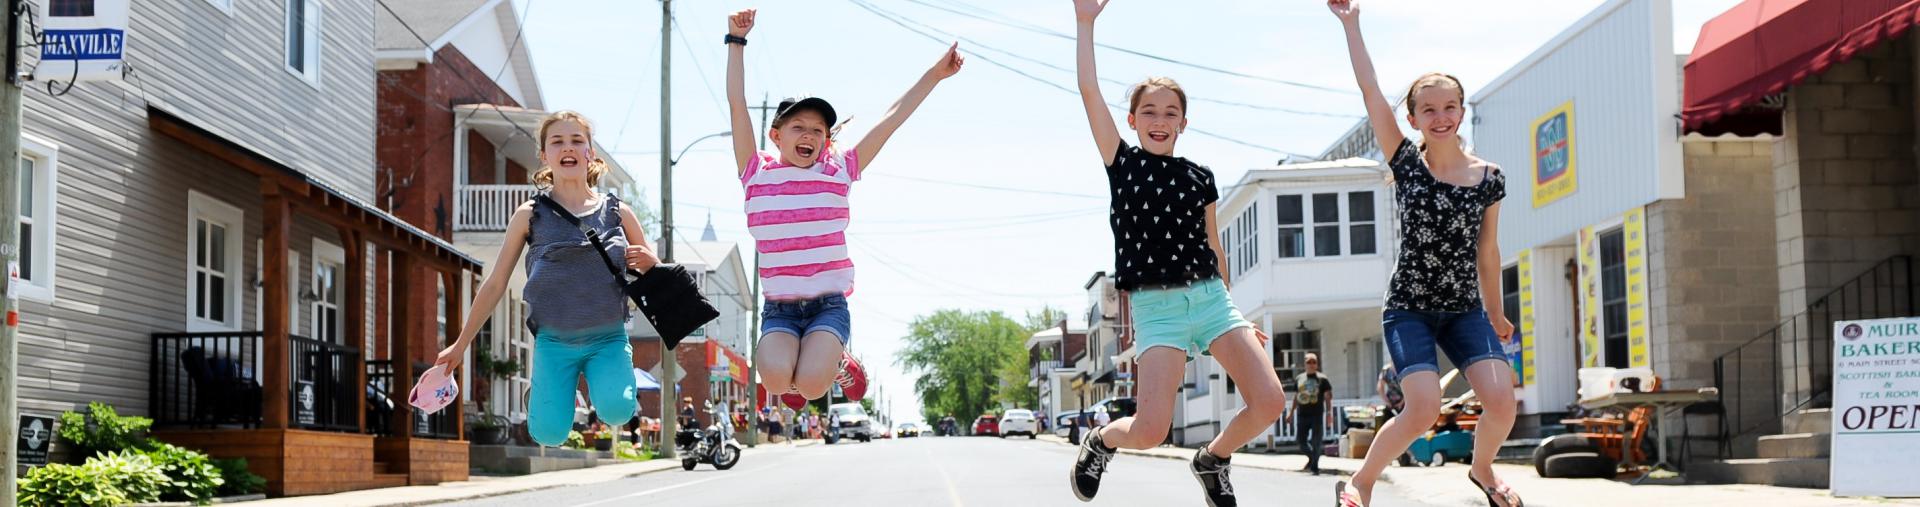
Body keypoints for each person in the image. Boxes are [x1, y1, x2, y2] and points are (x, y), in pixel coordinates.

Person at [1065, 3, 1284, 506]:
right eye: (1149, 112)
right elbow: (1088, 91)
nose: (1159, 121)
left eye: (1170, 113)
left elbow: (1212, 245)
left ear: (1184, 122)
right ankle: (1101, 441)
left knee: (1270, 400)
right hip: (1156, 309)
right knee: (1148, 430)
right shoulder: (1121, 163)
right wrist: (1085, 24)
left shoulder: (1199, 177)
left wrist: (1237, 315)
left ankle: (1213, 458)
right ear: (1132, 120)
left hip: (1211, 301)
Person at [1330, 2, 1522, 506]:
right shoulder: (1408, 165)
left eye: (1450, 107)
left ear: (1462, 111)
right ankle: (1361, 482)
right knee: (1421, 408)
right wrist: (1352, 25)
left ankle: (1483, 471)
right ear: (1413, 117)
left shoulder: (1489, 177)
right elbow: (1371, 91)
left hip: (1464, 311)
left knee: (1502, 401)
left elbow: (1489, 249)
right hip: (1409, 309)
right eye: (1428, 109)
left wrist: (1497, 314)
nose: (1440, 117)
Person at [723, 9, 963, 411]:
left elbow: (892, 119)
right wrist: (736, 41)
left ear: (825, 140)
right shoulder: (755, 172)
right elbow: (736, 106)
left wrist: (934, 76)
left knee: (813, 389)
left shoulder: (839, 171)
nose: (809, 136)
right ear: (776, 135)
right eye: (799, 127)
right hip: (780, 309)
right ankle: (810, 366)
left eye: (818, 130)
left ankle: (835, 364)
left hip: (828, 305)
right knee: (778, 382)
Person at [433, 111, 654, 448]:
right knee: (548, 434)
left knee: (618, 410)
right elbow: (495, 284)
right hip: (553, 341)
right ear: (545, 155)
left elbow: (657, 279)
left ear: (590, 152)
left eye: (577, 140)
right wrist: (460, 345)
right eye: (558, 141)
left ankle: (603, 384)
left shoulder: (618, 213)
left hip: (607, 338)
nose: (568, 147)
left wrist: (654, 264)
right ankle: (538, 393)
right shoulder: (529, 215)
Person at [1286, 353, 1334, 475]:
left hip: (1317, 414)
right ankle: (1313, 457)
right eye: (1309, 362)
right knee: (1301, 441)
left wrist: (1329, 413)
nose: (1312, 365)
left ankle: (1314, 467)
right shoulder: (1299, 378)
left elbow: (1328, 397)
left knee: (1316, 441)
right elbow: (1296, 397)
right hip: (1302, 414)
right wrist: (1291, 413)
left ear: (1317, 364)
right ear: (1305, 364)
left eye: (1314, 362)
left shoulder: (1322, 379)